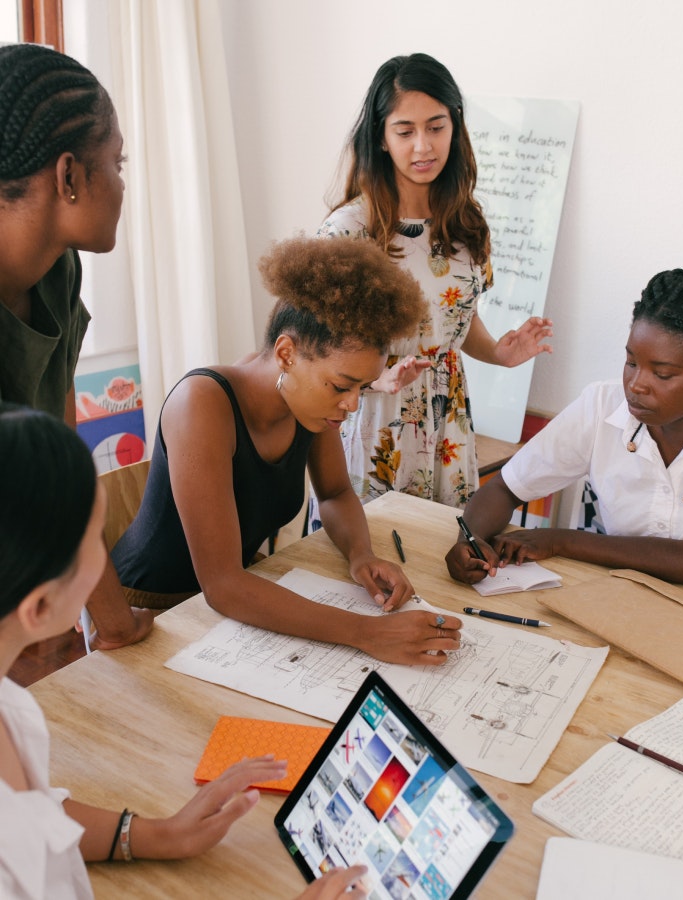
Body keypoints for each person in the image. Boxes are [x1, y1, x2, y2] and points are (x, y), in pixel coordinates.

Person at [0, 404, 368, 898]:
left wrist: (153, 834)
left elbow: (30, 819)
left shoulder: (12, 703)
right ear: (41, 606)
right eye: (94, 539)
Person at [110, 236, 462, 665]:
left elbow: (334, 493)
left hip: (238, 590)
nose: (352, 405)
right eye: (341, 385)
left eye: (362, 388)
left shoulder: (310, 404)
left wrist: (361, 555)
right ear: (286, 353)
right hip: (152, 608)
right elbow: (222, 585)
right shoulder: (201, 404)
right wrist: (366, 632)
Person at [309, 52, 552, 519]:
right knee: (368, 564)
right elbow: (311, 348)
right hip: (373, 416)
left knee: (440, 561)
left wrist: (500, 353)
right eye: (405, 131)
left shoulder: (465, 223)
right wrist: (377, 377)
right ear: (381, 138)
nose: (423, 146)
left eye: (436, 127)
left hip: (448, 418)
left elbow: (455, 320)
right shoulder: (347, 232)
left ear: (455, 128)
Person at [0, 42, 152, 650]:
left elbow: (64, 459)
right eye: (117, 164)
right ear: (68, 176)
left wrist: (110, 621)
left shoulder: (60, 271)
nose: (121, 184)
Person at [445, 268, 683, 588]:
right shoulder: (603, 406)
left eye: (662, 374)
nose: (636, 384)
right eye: (631, 362)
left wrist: (558, 541)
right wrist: (471, 540)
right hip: (620, 595)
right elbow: (504, 489)